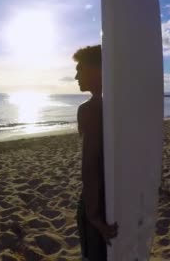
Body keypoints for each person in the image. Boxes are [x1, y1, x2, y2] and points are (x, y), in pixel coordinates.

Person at [73, 45, 118, 260]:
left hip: (96, 207)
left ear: (97, 71)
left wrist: (93, 216)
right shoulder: (120, 107)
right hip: (118, 198)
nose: (75, 76)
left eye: (80, 69)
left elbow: (90, 165)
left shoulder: (88, 109)